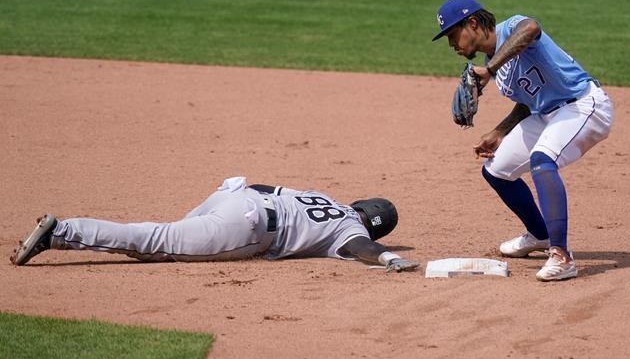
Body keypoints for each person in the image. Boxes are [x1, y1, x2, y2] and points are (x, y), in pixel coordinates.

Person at [432, 0, 613, 281]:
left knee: (542, 159)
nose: (452, 44)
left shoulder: (513, 27)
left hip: (583, 104)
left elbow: (531, 29)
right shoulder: (494, 63)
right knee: (496, 171)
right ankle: (540, 235)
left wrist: (489, 72)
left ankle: (562, 257)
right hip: (547, 115)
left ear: (473, 23)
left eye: (453, 35)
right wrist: (500, 131)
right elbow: (529, 101)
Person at [10, 176, 419, 272]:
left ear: (360, 203)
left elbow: (266, 185)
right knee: (154, 241)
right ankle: (61, 232)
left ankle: (65, 233)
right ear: (375, 226)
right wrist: (386, 257)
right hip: (247, 224)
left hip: (235, 194)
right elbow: (360, 249)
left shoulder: (325, 199)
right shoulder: (354, 231)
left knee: (165, 241)